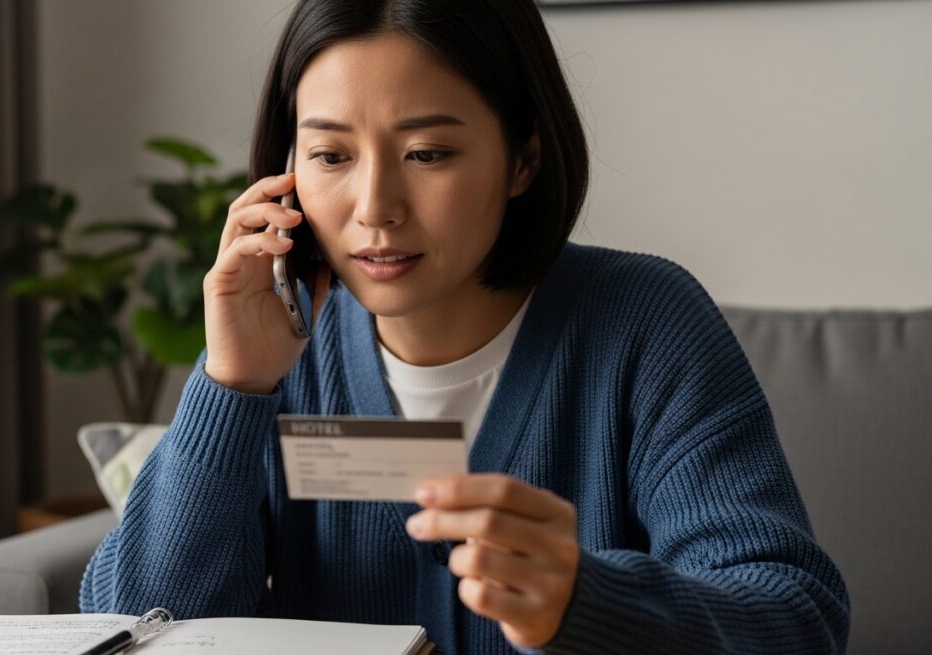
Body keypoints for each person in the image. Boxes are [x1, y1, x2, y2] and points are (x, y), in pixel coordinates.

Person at [81, 1, 850, 652]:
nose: (375, 206)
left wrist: (585, 599)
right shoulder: (281, 345)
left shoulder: (645, 323)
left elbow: (796, 615)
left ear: (522, 159)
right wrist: (233, 385)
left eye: (428, 152)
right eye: (330, 154)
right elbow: (137, 626)